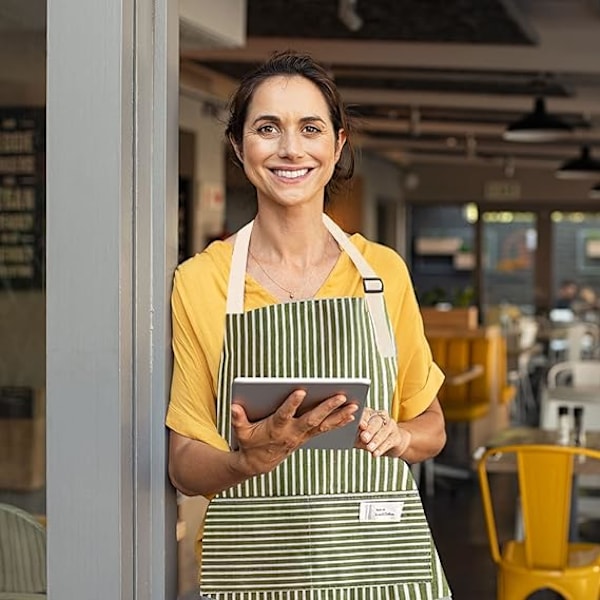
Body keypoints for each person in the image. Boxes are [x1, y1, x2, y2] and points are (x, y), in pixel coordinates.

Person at [166, 50, 451, 600]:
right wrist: (248, 458)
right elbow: (183, 464)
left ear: (337, 144)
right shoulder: (201, 281)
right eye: (267, 128)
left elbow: (431, 425)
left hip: (378, 563)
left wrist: (401, 435)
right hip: (258, 570)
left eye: (310, 128)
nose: (290, 148)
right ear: (238, 146)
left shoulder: (382, 273)